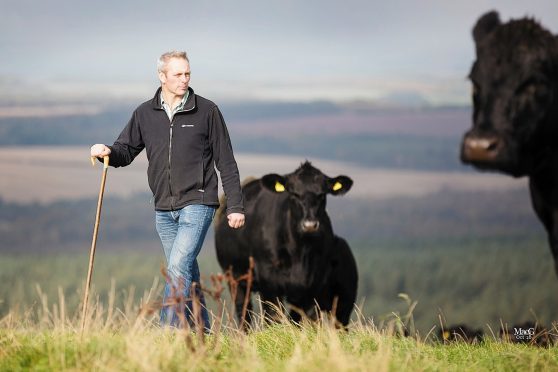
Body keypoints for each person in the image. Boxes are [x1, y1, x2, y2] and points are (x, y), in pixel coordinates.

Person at [90, 50, 245, 331]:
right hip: (163, 207)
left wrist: (235, 205)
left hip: (198, 202)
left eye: (187, 74)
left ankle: (165, 335)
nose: (184, 79)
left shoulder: (207, 111)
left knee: (176, 269)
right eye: (178, 74)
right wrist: (107, 152)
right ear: (162, 76)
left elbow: (226, 161)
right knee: (186, 273)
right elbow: (125, 151)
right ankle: (203, 334)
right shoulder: (144, 113)